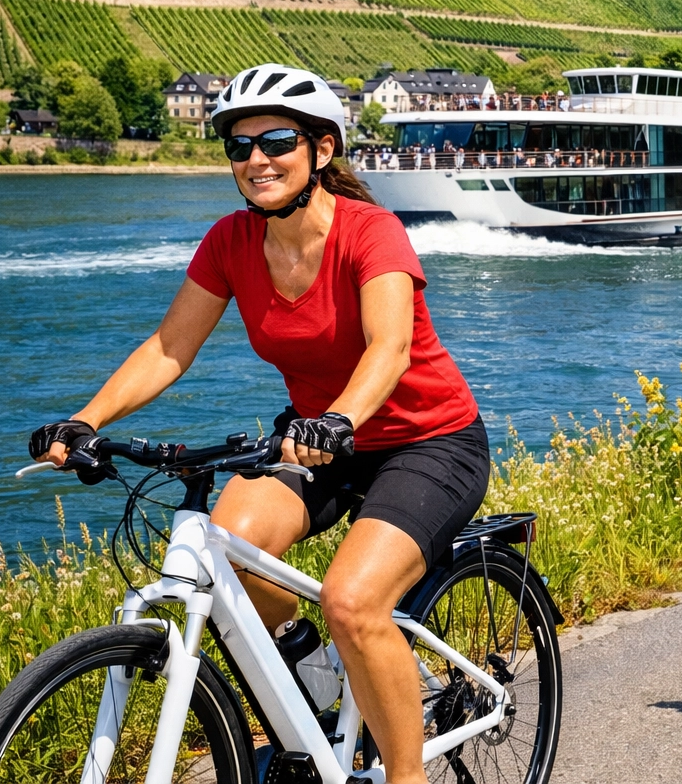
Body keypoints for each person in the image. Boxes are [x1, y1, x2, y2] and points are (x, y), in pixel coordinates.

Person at [26, 63, 486, 784]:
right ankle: (316, 665)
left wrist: (337, 418)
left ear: (321, 151)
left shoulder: (372, 232)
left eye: (275, 141)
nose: (255, 160)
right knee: (225, 550)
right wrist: (82, 420)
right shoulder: (232, 242)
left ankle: (405, 775)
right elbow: (169, 347)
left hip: (426, 441)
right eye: (239, 148)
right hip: (317, 437)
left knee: (353, 598)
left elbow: (389, 348)